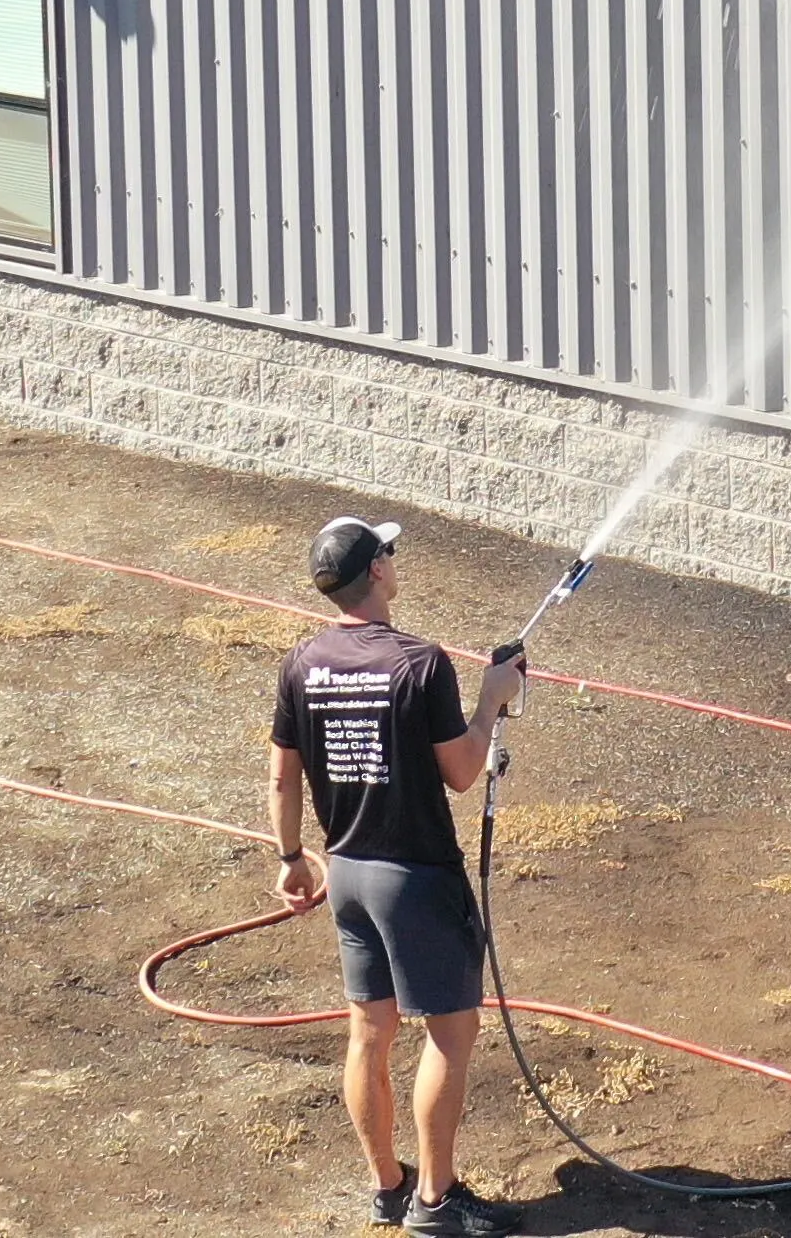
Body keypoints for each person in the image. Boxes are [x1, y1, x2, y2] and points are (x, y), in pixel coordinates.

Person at [271, 512, 528, 1235]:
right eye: (388, 552)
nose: (393, 560)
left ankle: (388, 1186)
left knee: (369, 1034)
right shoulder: (420, 662)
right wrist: (492, 699)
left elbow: (283, 775)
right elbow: (462, 771)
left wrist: (293, 857)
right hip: (415, 877)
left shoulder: (301, 662)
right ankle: (438, 1201)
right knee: (450, 1035)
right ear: (377, 572)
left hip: (348, 871)